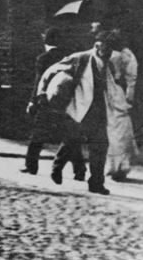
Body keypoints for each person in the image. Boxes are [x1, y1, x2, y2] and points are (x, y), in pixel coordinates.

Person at [38, 30, 120, 195]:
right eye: (106, 48)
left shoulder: (108, 64)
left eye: (111, 49)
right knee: (72, 140)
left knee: (100, 145)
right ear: (97, 46)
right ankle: (57, 166)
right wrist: (41, 92)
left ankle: (96, 183)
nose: (109, 52)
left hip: (99, 111)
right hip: (80, 108)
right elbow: (52, 70)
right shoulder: (81, 58)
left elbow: (111, 86)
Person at [22, 27, 84, 178]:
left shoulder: (43, 58)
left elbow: (39, 82)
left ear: (45, 40)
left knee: (38, 134)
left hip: (47, 102)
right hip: (66, 101)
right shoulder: (69, 56)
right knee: (69, 136)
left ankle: (31, 166)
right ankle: (79, 170)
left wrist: (32, 101)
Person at [96, 26, 138, 181]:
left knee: (111, 131)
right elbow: (131, 79)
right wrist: (129, 99)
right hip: (118, 94)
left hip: (105, 93)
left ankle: (112, 166)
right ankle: (121, 166)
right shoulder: (126, 55)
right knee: (120, 131)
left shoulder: (102, 53)